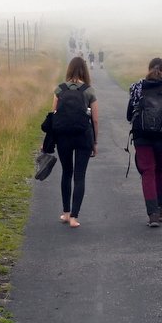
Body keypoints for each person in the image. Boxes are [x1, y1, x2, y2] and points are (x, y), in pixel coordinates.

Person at [126, 57, 162, 227]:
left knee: (147, 172)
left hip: (142, 137)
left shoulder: (138, 87)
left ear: (149, 69)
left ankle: (152, 214)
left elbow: (129, 115)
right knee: (161, 171)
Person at [49, 56, 99, 228]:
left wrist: (50, 140)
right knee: (79, 175)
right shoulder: (89, 90)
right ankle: (74, 217)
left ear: (69, 69)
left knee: (66, 172)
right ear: (85, 71)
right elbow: (95, 120)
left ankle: (65, 213)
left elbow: (53, 116)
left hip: (63, 137)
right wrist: (95, 142)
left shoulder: (60, 89)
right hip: (83, 136)